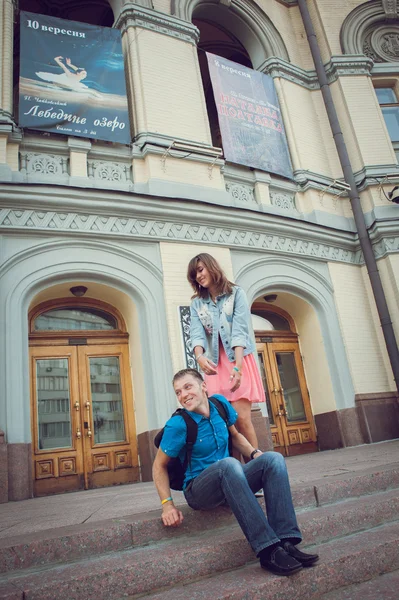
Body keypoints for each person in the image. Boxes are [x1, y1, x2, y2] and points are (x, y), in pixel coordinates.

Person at [152, 368, 319, 576]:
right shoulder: (178, 424)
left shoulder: (220, 405)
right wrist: (167, 505)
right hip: (199, 490)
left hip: (231, 480)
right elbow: (158, 465)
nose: (183, 395)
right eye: (178, 392)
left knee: (273, 460)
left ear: (203, 386)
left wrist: (255, 453)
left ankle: (286, 543)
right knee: (229, 464)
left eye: (188, 387)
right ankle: (268, 551)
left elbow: (235, 435)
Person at [187, 253, 264, 455]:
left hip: (236, 360)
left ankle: (257, 473)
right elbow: (196, 334)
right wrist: (199, 357)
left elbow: (240, 331)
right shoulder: (197, 303)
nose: (199, 276)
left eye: (201, 270)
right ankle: (236, 477)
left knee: (242, 419)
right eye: (195, 274)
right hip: (214, 366)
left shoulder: (236, 294)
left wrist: (238, 367)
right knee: (224, 424)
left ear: (212, 267)